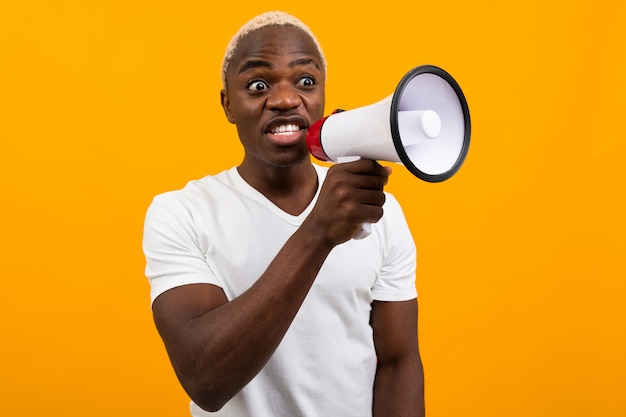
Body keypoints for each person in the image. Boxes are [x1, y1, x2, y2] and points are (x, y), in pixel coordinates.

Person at [142, 10, 425, 417]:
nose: (286, 99)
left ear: (324, 94)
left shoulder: (381, 213)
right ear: (228, 105)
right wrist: (318, 232)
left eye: (306, 82)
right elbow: (205, 379)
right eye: (258, 85)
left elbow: (398, 362)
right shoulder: (181, 213)